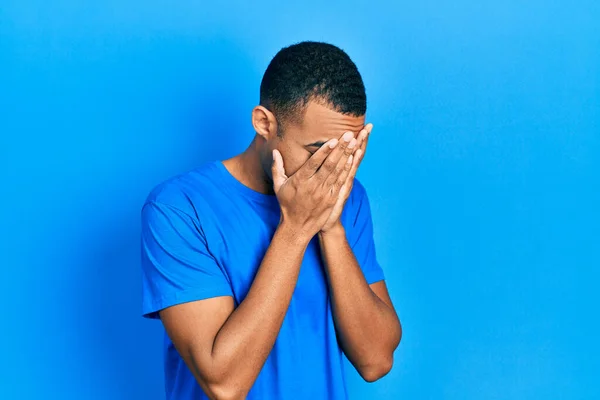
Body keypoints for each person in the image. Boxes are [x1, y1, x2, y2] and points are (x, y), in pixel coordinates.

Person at [140, 40, 402, 400]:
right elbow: (225, 383)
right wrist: (295, 230)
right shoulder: (179, 209)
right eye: (319, 151)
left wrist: (330, 226)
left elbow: (375, 360)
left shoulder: (347, 199)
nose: (334, 170)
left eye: (348, 150)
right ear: (264, 123)